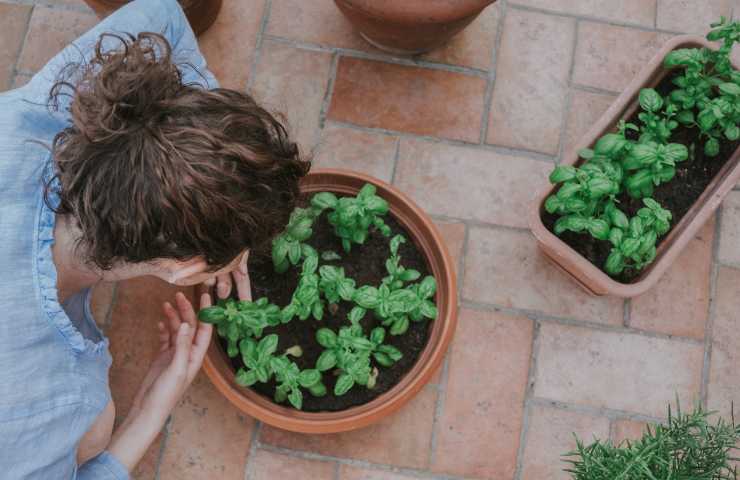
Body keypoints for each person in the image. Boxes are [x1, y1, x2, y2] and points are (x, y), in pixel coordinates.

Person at [0, 0, 309, 477]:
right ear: (183, 268)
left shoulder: (38, 114)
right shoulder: (49, 398)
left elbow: (161, 13)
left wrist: (205, 177)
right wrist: (149, 412)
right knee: (95, 428)